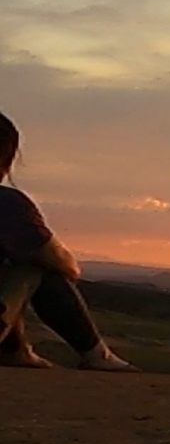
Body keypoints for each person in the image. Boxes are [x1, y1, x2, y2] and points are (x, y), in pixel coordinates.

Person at [0, 111, 137, 371]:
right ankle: (97, 355)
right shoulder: (6, 204)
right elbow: (63, 264)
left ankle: (17, 350)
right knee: (34, 264)